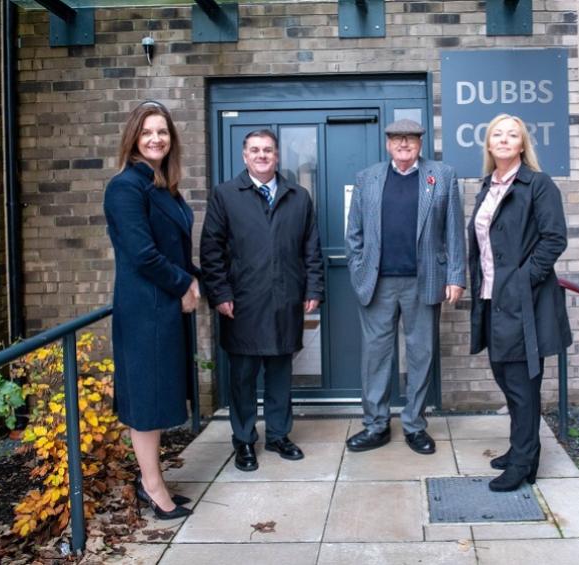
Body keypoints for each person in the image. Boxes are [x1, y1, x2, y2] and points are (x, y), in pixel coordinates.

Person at [200, 129, 324, 472]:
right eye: (254, 150)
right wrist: (220, 293)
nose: (262, 155)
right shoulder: (225, 195)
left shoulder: (298, 197)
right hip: (242, 303)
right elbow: (211, 250)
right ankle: (243, 441)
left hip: (285, 300)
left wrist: (314, 288)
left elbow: (311, 248)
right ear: (244, 156)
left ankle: (279, 435)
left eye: (268, 150)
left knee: (280, 374)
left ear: (277, 156)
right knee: (242, 377)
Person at [345, 119, 466, 455]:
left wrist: (456, 276)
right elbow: (354, 233)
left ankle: (414, 425)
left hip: (424, 281)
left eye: (410, 139)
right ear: (387, 144)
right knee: (375, 356)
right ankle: (375, 426)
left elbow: (454, 230)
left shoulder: (441, 176)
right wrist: (358, 270)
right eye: (397, 138)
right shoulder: (368, 178)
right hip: (378, 283)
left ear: (419, 143)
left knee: (421, 354)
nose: (403, 144)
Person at [104, 100, 200, 519]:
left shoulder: (162, 186)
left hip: (164, 309)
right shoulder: (125, 186)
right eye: (147, 132)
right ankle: (152, 485)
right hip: (145, 312)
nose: (156, 138)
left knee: (158, 396)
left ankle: (154, 478)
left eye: (162, 132)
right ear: (134, 139)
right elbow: (142, 254)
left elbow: (174, 249)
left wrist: (197, 279)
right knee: (145, 402)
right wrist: (184, 285)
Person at [468, 113, 572, 492]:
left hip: (521, 303)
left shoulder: (538, 185)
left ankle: (524, 461)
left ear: (523, 144)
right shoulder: (487, 186)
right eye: (498, 134)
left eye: (513, 134)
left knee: (521, 384)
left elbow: (554, 238)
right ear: (489, 144)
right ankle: (522, 449)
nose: (505, 139)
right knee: (506, 378)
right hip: (492, 301)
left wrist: (521, 281)